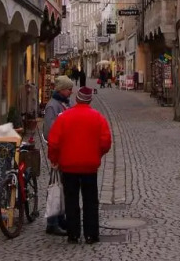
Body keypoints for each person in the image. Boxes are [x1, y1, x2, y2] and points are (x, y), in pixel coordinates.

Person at [48, 86, 112, 245]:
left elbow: (54, 142)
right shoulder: (98, 117)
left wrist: (55, 159)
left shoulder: (64, 117)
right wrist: (98, 154)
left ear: (76, 99)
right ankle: (91, 234)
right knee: (90, 200)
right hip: (89, 166)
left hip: (68, 166)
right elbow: (106, 142)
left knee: (71, 200)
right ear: (90, 100)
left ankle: (73, 234)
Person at [42, 74, 73, 236]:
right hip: (58, 152)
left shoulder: (64, 103)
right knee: (55, 187)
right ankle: (52, 223)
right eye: (69, 89)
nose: (71, 92)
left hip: (65, 152)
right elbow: (49, 132)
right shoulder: (52, 106)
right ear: (61, 90)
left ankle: (61, 219)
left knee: (62, 187)